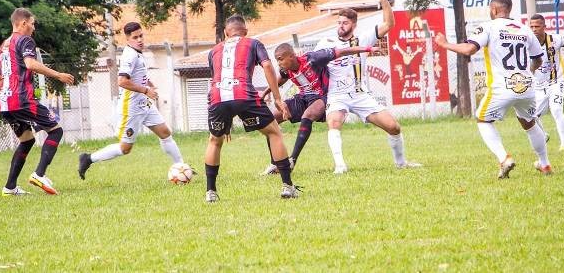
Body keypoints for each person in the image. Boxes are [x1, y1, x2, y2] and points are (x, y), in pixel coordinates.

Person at [435, 0, 552, 177]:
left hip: (502, 87)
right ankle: (545, 164)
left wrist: (445, 44)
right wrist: (526, 74)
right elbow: (538, 59)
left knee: (482, 120)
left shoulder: (488, 27)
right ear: (509, 9)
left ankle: (504, 158)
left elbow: (468, 50)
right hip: (526, 86)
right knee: (529, 123)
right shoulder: (524, 29)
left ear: (494, 9)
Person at [313, 0, 421, 174]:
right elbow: (312, 63)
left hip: (360, 94)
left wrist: (383, 0)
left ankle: (401, 163)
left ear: (354, 24)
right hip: (337, 95)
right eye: (339, 22)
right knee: (334, 122)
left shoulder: (363, 38)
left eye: (345, 23)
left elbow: (389, 24)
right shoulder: (326, 42)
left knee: (393, 127)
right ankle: (340, 165)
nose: (341, 26)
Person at [204, 14, 297, 202]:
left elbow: (216, 80)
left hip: (216, 97)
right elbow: (268, 66)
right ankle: (287, 186)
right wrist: (277, 98)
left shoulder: (213, 51)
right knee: (274, 133)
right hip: (244, 94)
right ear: (245, 32)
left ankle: (211, 192)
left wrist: (226, 121)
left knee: (215, 141)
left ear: (225, 33)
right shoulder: (253, 43)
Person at [0, 8, 75, 196]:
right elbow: (31, 64)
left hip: (5, 103)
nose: (33, 28)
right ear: (23, 23)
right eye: (32, 23)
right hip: (22, 99)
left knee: (26, 141)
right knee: (56, 130)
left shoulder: (4, 45)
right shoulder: (25, 40)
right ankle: (39, 174)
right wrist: (58, 75)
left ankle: (10, 188)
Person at [78, 22, 185, 180]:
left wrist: (147, 82)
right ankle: (88, 158)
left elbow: (137, 73)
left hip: (144, 105)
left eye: (141, 35)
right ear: (127, 39)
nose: (140, 39)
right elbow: (122, 81)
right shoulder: (130, 55)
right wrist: (146, 90)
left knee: (165, 133)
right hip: (132, 108)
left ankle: (181, 167)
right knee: (125, 148)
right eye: (135, 37)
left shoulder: (138, 52)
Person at [260, 42, 381, 175]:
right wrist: (265, 92)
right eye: (277, 59)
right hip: (303, 97)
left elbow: (341, 51)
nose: (279, 63)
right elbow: (281, 79)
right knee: (270, 120)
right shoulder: (285, 69)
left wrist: (368, 48)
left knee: (307, 115)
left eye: (280, 59)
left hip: (322, 97)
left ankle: (292, 160)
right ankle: (274, 163)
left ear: (291, 56)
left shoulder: (313, 58)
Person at [530, 13, 564, 151]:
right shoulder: (529, 42)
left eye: (537, 26)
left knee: (556, 109)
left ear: (544, 26)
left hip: (556, 81)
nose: (534, 29)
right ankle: (544, 135)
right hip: (538, 86)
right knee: (532, 117)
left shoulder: (554, 39)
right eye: (531, 26)